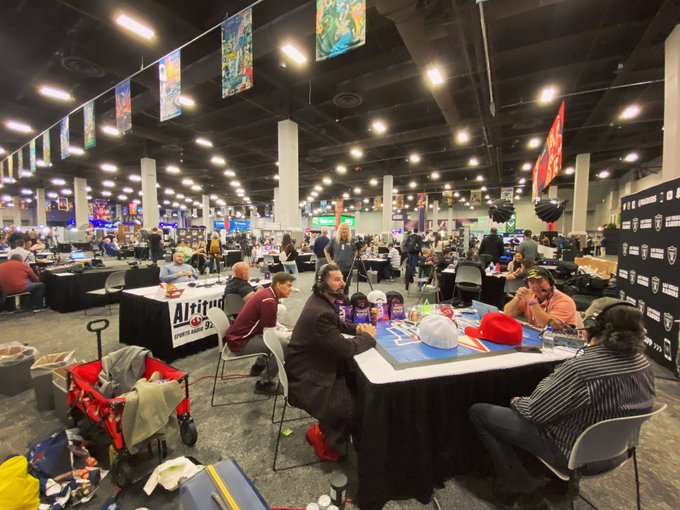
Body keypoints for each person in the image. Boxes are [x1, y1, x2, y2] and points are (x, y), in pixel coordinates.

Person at [469, 298, 655, 508]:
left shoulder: (582, 369)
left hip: (573, 454)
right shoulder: (643, 364)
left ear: (594, 327)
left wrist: (515, 400)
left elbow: (535, 413)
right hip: (619, 452)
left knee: (480, 412)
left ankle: (518, 484)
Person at [286, 264, 376, 461]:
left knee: (356, 381)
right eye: (336, 279)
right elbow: (346, 350)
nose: (343, 283)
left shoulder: (320, 302)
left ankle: (328, 431)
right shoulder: (320, 313)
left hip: (310, 363)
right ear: (321, 284)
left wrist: (356, 329)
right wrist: (368, 337)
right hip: (308, 376)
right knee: (352, 405)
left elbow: (336, 324)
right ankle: (324, 437)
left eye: (342, 278)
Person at [225, 272, 295, 395]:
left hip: (238, 337)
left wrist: (284, 330)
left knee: (281, 339)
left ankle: (258, 367)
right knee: (286, 345)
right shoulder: (269, 301)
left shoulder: (267, 293)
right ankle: (264, 383)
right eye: (288, 285)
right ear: (278, 285)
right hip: (240, 342)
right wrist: (291, 336)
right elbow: (270, 334)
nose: (291, 289)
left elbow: (271, 322)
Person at [504, 267, 578, 328]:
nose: (536, 286)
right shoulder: (529, 294)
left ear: (550, 282)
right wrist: (517, 297)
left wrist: (532, 302)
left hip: (558, 338)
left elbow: (548, 325)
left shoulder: (565, 301)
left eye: (539, 281)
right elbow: (507, 314)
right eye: (532, 282)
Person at [324, 223, 355, 292]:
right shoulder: (334, 240)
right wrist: (330, 261)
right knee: (337, 287)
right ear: (339, 230)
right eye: (342, 229)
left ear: (348, 230)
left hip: (348, 268)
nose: (344, 230)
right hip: (337, 269)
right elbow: (326, 250)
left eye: (346, 229)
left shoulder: (352, 240)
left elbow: (356, 251)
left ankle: (345, 298)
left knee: (346, 287)